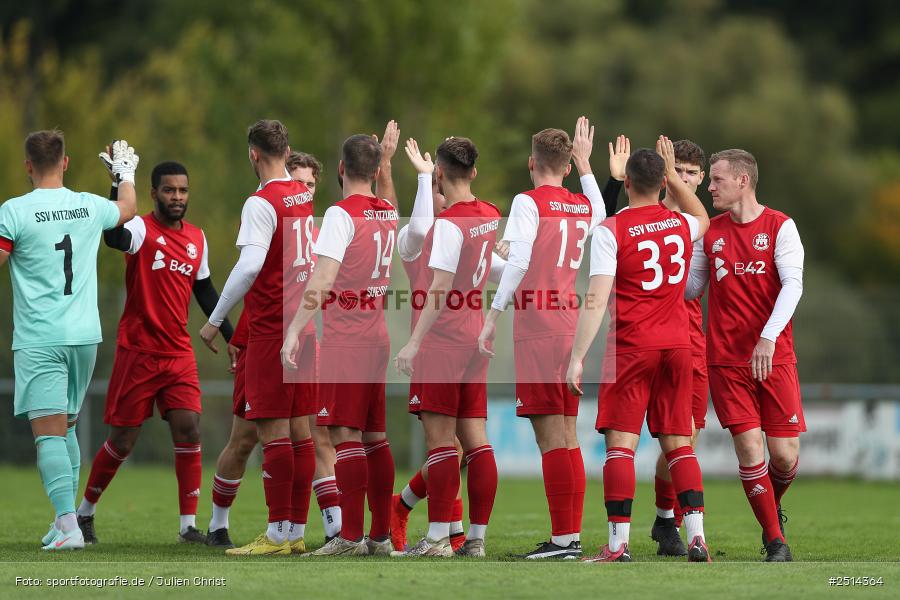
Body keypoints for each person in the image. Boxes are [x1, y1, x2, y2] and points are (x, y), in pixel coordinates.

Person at [566, 137, 712, 563]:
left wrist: (577, 356)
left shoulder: (612, 231)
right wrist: (677, 184)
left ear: (626, 182)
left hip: (631, 348)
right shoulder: (680, 224)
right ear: (663, 181)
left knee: (620, 446)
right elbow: (701, 214)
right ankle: (698, 536)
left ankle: (617, 544)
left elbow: (595, 299)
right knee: (679, 443)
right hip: (677, 345)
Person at [75, 160, 232, 545]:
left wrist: (234, 337)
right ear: (153, 193)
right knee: (123, 441)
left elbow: (206, 292)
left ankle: (187, 526)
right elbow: (113, 237)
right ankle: (84, 513)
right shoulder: (141, 228)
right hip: (138, 351)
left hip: (178, 352)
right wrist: (118, 183)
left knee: (189, 427)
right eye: (169, 190)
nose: (177, 197)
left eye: (182, 190)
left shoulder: (198, 237)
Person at [476, 117, 608, 559]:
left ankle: (563, 541)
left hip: (538, 325)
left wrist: (493, 314)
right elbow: (602, 216)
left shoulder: (527, 201)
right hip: (569, 321)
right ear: (566, 166)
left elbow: (519, 262)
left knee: (550, 435)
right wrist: (588, 167)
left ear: (532, 163)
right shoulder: (578, 205)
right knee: (568, 434)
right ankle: (569, 538)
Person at [0, 132, 137, 550]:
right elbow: (129, 209)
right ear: (66, 162)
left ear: (28, 166)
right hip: (83, 337)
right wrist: (124, 173)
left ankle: (67, 525)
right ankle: (67, 519)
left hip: (41, 337)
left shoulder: (14, 211)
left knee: (48, 434)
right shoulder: (88, 204)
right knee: (69, 429)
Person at [205, 151, 345, 548]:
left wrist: (215, 320)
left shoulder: (303, 220)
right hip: (264, 339)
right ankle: (220, 524)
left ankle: (300, 529)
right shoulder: (278, 210)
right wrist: (239, 336)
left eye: (309, 185)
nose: (302, 190)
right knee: (246, 437)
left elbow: (268, 277)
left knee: (305, 436)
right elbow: (267, 285)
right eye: (296, 181)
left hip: (291, 338)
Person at [281, 129, 400, 557]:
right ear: (377, 170)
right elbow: (390, 203)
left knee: (344, 435)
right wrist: (386, 162)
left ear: (341, 169)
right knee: (376, 437)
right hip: (378, 334)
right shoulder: (386, 210)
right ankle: (380, 537)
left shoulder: (339, 214)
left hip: (347, 337)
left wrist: (294, 328)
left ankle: (349, 538)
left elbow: (324, 276)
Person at [685, 149, 804, 562]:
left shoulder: (780, 227)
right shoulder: (709, 233)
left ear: (743, 182)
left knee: (785, 457)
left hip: (775, 356)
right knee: (750, 448)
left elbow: (793, 286)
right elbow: (691, 287)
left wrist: (768, 338)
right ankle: (775, 541)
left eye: (716, 180)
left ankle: (772, 507)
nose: (710, 186)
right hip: (726, 360)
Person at [392, 137, 502, 557]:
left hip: (443, 343)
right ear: (473, 172)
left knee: (441, 444)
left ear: (439, 172)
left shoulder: (447, 226)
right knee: (476, 442)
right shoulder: (490, 214)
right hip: (475, 338)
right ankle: (474, 539)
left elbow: (439, 288)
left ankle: (438, 538)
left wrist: (413, 343)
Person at [649, 139, 709, 556]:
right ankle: (669, 522)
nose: (680, 178)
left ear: (700, 179)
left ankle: (664, 519)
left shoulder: (703, 227)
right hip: (647, 337)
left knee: (686, 438)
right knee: (671, 439)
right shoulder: (645, 214)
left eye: (689, 173)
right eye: (675, 170)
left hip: (690, 338)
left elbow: (694, 287)